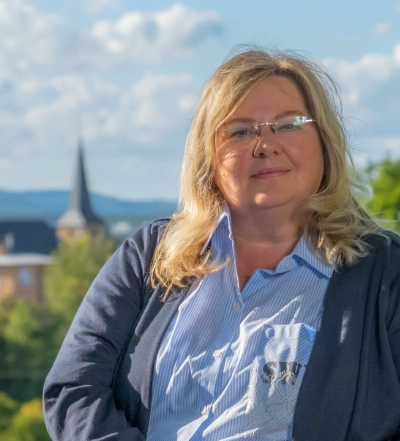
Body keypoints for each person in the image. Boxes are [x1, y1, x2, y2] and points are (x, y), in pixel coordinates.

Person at [43, 47, 400, 441]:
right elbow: (72, 391)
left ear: (324, 141)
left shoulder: (385, 274)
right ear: (208, 156)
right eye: (240, 130)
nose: (265, 144)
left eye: (289, 124)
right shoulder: (149, 255)